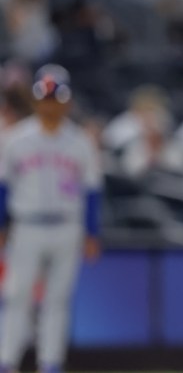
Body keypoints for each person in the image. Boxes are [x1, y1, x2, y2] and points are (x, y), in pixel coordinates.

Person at [0, 65, 103, 373]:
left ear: (67, 102)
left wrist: (92, 232)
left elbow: (92, 190)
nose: (50, 105)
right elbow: (2, 186)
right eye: (44, 98)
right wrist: (2, 226)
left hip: (67, 227)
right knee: (17, 297)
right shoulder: (15, 139)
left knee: (57, 301)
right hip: (27, 226)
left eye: (56, 98)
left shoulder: (80, 142)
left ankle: (51, 364)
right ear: (35, 101)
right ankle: (7, 362)